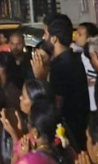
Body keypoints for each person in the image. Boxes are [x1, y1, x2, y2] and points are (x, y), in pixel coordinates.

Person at [33, 14, 91, 146]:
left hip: (70, 136)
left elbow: (56, 107)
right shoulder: (72, 58)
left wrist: (40, 79)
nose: (43, 37)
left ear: (54, 39)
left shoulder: (61, 67)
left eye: (46, 33)